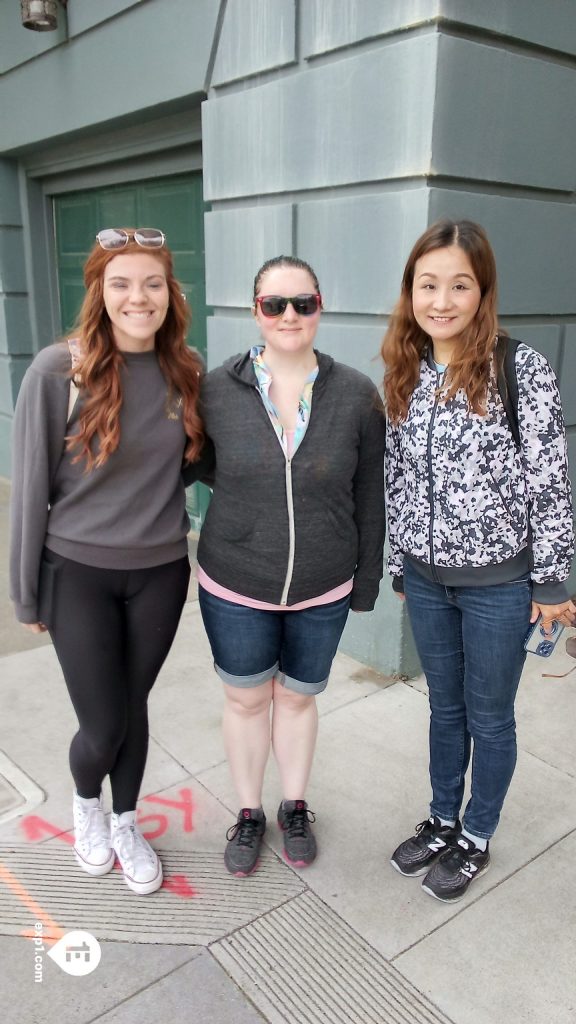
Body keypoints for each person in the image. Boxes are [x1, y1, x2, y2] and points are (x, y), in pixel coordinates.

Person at [382, 219, 575, 902]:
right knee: (444, 709)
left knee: (489, 716)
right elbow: (396, 475)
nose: (441, 299)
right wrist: (399, 563)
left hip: (499, 585)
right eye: (428, 284)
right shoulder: (406, 369)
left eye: (458, 284)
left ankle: (477, 833)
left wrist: (552, 584)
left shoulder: (519, 368)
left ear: (481, 289)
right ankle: (441, 818)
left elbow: (550, 480)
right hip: (428, 581)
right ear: (411, 291)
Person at [10, 227, 207, 895]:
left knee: (133, 703)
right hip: (76, 575)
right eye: (121, 282)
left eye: (152, 282)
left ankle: (126, 822)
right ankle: (85, 805)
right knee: (103, 722)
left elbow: (190, 465)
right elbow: (30, 487)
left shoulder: (188, 370)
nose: (138, 296)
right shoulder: (55, 370)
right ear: (99, 289)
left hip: (159, 572)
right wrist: (25, 593)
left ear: (169, 293)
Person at [194, 254, 386, 876]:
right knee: (248, 702)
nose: (289, 316)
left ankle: (294, 805)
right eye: (274, 304)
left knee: (299, 701)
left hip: (323, 585)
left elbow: (369, 495)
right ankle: (249, 813)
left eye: (302, 303)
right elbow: (180, 466)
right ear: (256, 312)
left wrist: (365, 581)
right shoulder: (216, 390)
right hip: (236, 582)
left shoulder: (356, 393)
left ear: (320, 307)